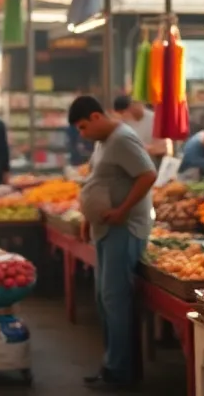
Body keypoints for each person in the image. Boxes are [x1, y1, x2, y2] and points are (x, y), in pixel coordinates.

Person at [70, 95, 157, 391]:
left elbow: (147, 174)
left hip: (125, 229)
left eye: (83, 127)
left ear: (96, 117)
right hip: (104, 229)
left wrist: (122, 210)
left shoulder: (122, 139)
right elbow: (99, 179)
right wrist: (87, 217)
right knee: (104, 299)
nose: (82, 134)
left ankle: (121, 371)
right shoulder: (103, 141)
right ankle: (111, 364)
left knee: (115, 299)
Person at [113, 95, 163, 167]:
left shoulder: (155, 119)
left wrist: (138, 148)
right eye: (132, 103)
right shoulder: (124, 120)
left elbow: (161, 149)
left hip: (149, 166)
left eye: (136, 102)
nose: (134, 106)